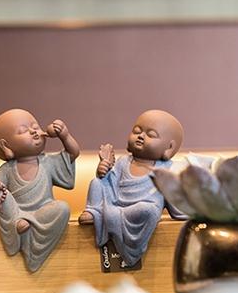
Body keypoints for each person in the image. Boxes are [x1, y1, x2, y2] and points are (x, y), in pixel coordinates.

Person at [79, 109, 186, 267]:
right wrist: (103, 169)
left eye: (151, 135)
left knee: (148, 210)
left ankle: (108, 219)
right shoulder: (124, 162)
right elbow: (109, 181)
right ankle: (94, 211)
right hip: (115, 203)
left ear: (169, 148)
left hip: (137, 213)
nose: (141, 136)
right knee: (96, 183)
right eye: (137, 131)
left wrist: (186, 212)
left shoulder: (167, 170)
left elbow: (174, 199)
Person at [0, 109, 80, 272]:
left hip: (42, 213)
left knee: (62, 208)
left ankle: (30, 239)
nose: (34, 131)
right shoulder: (8, 169)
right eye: (23, 131)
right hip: (17, 215)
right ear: (5, 146)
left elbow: (72, 153)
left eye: (35, 126)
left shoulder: (47, 162)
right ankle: (16, 224)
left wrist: (64, 136)